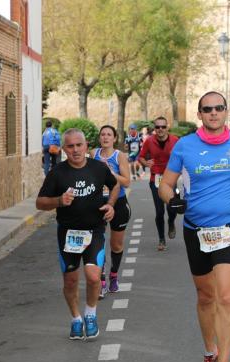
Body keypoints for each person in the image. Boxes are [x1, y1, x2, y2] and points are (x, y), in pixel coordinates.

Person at [158, 91, 230, 362]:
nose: (213, 113)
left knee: (226, 297)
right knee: (205, 296)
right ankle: (209, 353)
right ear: (200, 114)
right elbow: (165, 183)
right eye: (207, 109)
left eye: (218, 108)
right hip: (196, 229)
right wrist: (171, 201)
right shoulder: (186, 146)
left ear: (226, 111)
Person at [36, 128, 120, 340]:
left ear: (86, 146)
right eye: (70, 146)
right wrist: (58, 201)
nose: (75, 150)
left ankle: (90, 314)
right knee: (70, 282)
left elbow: (115, 184)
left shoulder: (98, 168)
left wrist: (110, 205)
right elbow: (40, 202)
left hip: (95, 231)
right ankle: (76, 318)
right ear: (64, 149)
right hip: (68, 234)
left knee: (93, 277)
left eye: (79, 145)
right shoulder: (57, 173)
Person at [91, 125, 131, 298]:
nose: (105, 137)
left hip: (118, 204)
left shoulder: (119, 156)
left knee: (116, 245)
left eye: (109, 135)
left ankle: (113, 274)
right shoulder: (93, 154)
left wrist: (109, 173)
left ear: (114, 138)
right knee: (97, 243)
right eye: (103, 134)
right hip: (98, 203)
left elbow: (127, 182)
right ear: (100, 138)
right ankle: (101, 281)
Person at [139, 116, 179, 251]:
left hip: (171, 178)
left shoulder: (175, 140)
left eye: (163, 127)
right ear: (154, 129)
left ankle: (171, 221)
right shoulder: (149, 141)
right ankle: (162, 239)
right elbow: (141, 157)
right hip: (155, 179)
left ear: (167, 127)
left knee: (172, 208)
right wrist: (146, 163)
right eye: (157, 127)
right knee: (159, 211)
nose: (160, 129)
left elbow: (183, 156)